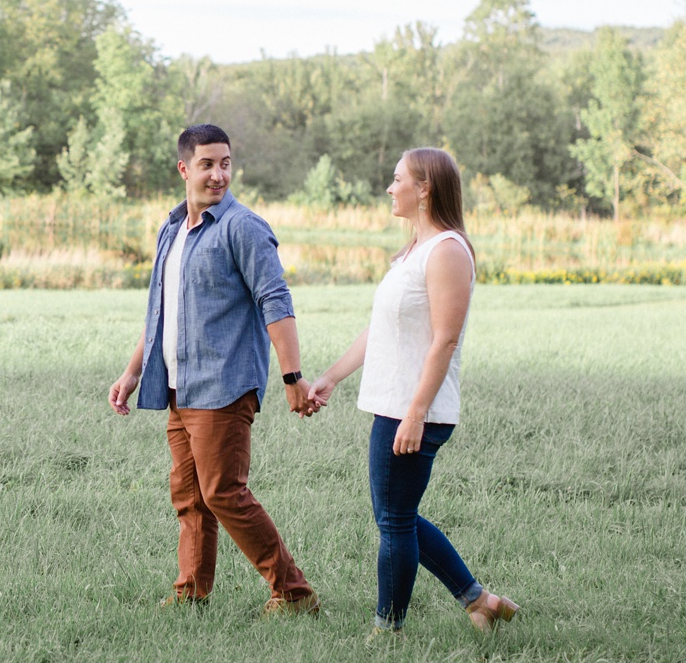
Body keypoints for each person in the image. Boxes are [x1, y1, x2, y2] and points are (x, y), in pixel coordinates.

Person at [107, 123, 320, 616]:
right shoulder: (171, 229)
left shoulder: (242, 227)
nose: (219, 174)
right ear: (184, 169)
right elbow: (160, 311)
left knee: (223, 491)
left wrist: (292, 376)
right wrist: (132, 371)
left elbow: (275, 299)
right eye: (207, 164)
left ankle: (293, 593)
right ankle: (190, 594)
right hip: (179, 385)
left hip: (223, 383)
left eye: (225, 163)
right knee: (189, 496)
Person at [306, 147, 519, 634]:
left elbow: (445, 338)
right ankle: (480, 601)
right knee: (396, 515)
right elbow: (381, 329)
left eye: (397, 178)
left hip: (414, 408)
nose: (389, 187)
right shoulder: (414, 250)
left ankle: (388, 630)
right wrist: (332, 376)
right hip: (394, 403)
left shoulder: (447, 250)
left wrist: (416, 411)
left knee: (395, 520)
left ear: (424, 188)